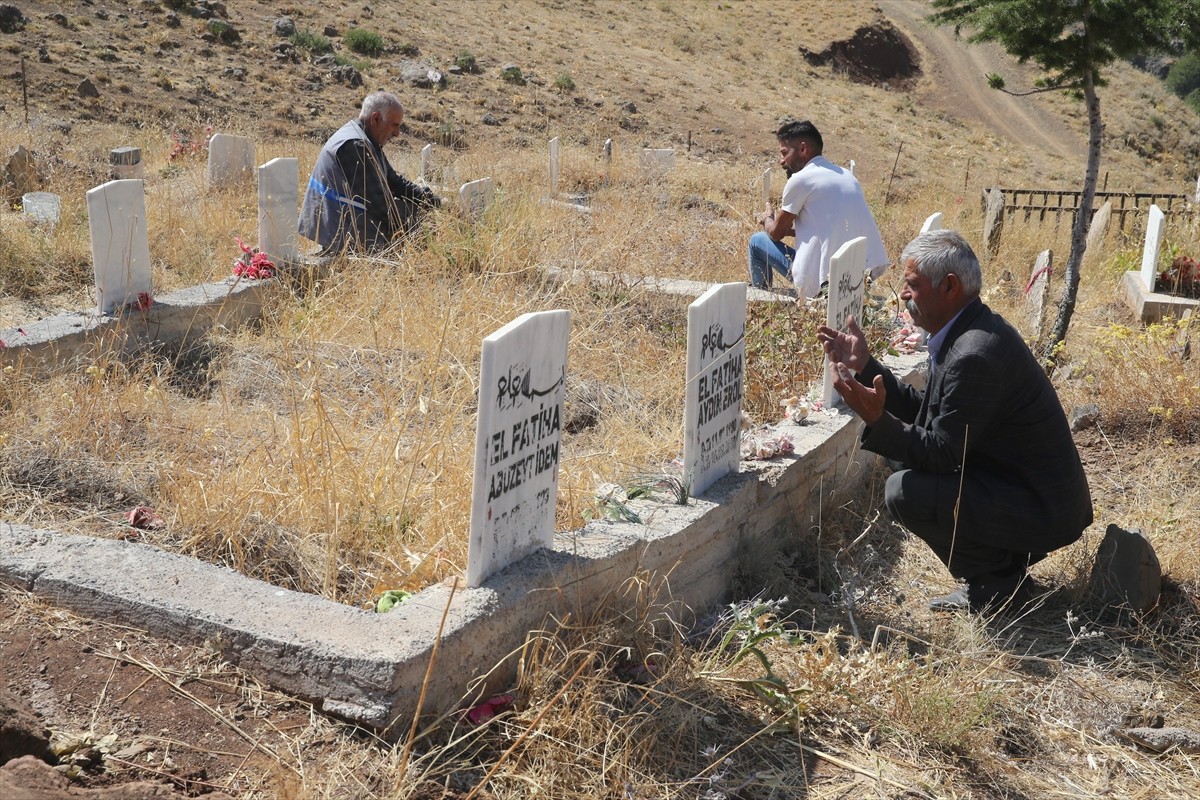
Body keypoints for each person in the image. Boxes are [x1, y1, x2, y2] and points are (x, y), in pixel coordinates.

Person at [817, 229, 1093, 613]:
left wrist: (878, 418)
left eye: (913, 285)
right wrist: (865, 366)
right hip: (1022, 490)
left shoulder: (974, 353)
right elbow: (931, 414)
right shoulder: (966, 330)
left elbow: (941, 455)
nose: (903, 294)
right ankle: (1002, 569)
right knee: (901, 457)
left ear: (949, 286)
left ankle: (997, 584)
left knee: (904, 491)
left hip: (1042, 509)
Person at [749, 120, 888, 298]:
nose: (781, 161)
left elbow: (776, 233)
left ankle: (760, 297)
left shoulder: (801, 179)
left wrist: (768, 218)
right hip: (858, 277)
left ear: (803, 149)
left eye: (784, 153)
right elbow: (825, 228)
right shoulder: (848, 176)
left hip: (821, 283)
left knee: (757, 240)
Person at [299, 90, 441, 254]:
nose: (397, 133)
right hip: (337, 229)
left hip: (344, 218)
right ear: (376, 118)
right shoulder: (354, 145)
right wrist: (418, 235)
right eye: (394, 125)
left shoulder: (365, 138)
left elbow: (394, 182)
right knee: (414, 218)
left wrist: (431, 200)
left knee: (414, 209)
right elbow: (380, 204)